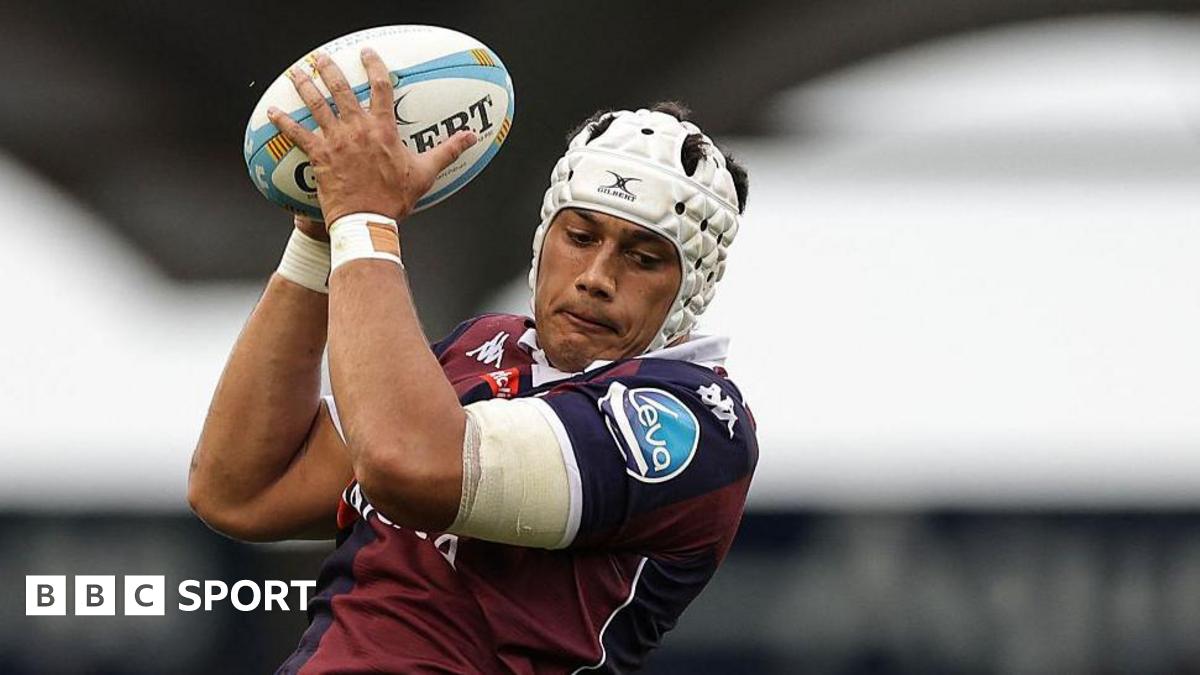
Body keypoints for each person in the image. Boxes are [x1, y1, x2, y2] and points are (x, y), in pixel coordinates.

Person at [188, 47, 756, 673]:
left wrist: (364, 218)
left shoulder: (694, 424)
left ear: (694, 284)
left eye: (643, 258)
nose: (596, 277)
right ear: (544, 237)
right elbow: (241, 489)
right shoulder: (480, 347)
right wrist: (319, 237)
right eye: (580, 236)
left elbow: (411, 465)